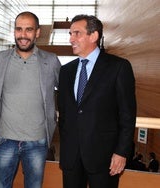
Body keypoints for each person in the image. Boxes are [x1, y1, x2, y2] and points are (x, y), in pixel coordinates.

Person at [58, 14, 136, 188]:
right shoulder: (66, 71)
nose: (71, 39)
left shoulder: (119, 67)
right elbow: (64, 113)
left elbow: (127, 115)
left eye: (76, 33)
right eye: (70, 34)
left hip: (104, 158)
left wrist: (121, 152)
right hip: (71, 157)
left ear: (94, 36)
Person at [0, 11, 61, 188]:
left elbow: (66, 92)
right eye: (19, 29)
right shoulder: (1, 59)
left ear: (37, 32)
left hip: (37, 141)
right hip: (5, 139)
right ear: (14, 31)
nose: (23, 35)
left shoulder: (51, 60)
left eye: (28, 30)